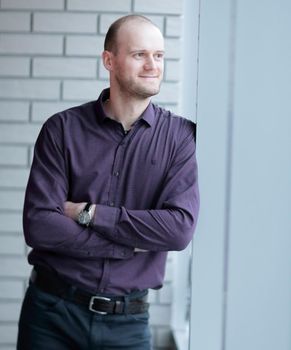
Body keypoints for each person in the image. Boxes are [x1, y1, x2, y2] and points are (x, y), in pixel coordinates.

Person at [17, 14, 199, 350]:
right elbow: (40, 225)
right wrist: (127, 244)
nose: (152, 65)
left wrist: (89, 213)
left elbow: (178, 230)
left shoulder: (180, 138)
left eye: (159, 56)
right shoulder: (62, 130)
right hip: (51, 315)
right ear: (109, 60)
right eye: (139, 54)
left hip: (127, 324)